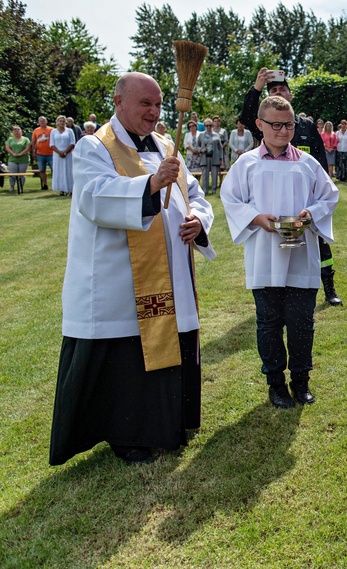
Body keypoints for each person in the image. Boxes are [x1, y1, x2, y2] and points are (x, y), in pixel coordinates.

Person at [50, 71, 216, 466]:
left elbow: (194, 192)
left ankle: (169, 424)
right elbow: (94, 197)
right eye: (146, 103)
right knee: (126, 358)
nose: (154, 111)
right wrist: (150, 185)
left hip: (170, 271)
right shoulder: (94, 147)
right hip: (117, 278)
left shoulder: (164, 143)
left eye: (158, 104)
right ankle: (127, 435)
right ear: (119, 101)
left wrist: (198, 220)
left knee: (168, 342)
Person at [221, 95, 339, 409]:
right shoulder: (246, 164)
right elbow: (231, 200)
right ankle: (275, 384)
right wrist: (257, 218)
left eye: (288, 125)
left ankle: (301, 382)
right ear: (259, 125)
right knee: (269, 323)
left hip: (301, 255)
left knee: (302, 323)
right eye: (275, 125)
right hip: (264, 255)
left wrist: (310, 214)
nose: (283, 131)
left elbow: (329, 196)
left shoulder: (307, 163)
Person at [239, 67, 343, 306]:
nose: (278, 93)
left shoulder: (305, 125)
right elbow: (246, 116)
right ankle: (276, 290)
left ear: (290, 95)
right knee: (278, 248)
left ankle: (329, 287)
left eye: (282, 89)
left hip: (307, 201)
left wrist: (321, 195)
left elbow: (318, 158)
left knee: (320, 247)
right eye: (273, 90)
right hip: (277, 205)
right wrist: (256, 87)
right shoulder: (264, 124)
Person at [50, 115, 76, 196]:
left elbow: (72, 142)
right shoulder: (53, 132)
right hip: (57, 155)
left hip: (68, 154)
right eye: (60, 121)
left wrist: (65, 152)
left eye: (63, 121)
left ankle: (70, 189)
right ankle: (61, 189)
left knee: (68, 171)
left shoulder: (69, 131)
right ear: (57, 122)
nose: (61, 123)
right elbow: (52, 144)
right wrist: (59, 152)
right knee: (59, 171)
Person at [198, 118, 224, 195]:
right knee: (205, 175)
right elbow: (197, 146)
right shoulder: (201, 135)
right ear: (204, 126)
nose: (208, 127)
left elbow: (220, 148)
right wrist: (201, 150)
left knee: (214, 174)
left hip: (214, 157)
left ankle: (214, 190)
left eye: (210, 125)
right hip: (204, 157)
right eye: (207, 125)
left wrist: (221, 158)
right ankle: (205, 190)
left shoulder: (216, 135)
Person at [5, 125, 30, 194]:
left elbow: (28, 148)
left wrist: (21, 154)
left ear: (21, 131)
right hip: (12, 159)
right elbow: (7, 147)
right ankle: (12, 186)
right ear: (12, 132)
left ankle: (21, 186)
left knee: (22, 173)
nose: (16, 131)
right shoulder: (10, 139)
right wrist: (13, 153)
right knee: (12, 173)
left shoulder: (26, 139)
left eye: (18, 130)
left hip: (23, 159)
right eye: (15, 130)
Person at [32, 116, 53, 190]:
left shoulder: (52, 130)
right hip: (40, 153)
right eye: (40, 121)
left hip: (51, 153)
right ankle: (45, 184)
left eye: (43, 121)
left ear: (46, 121)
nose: (42, 122)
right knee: (42, 170)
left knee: (54, 169)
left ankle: (55, 184)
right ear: (38, 122)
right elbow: (33, 142)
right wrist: (33, 151)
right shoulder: (36, 130)